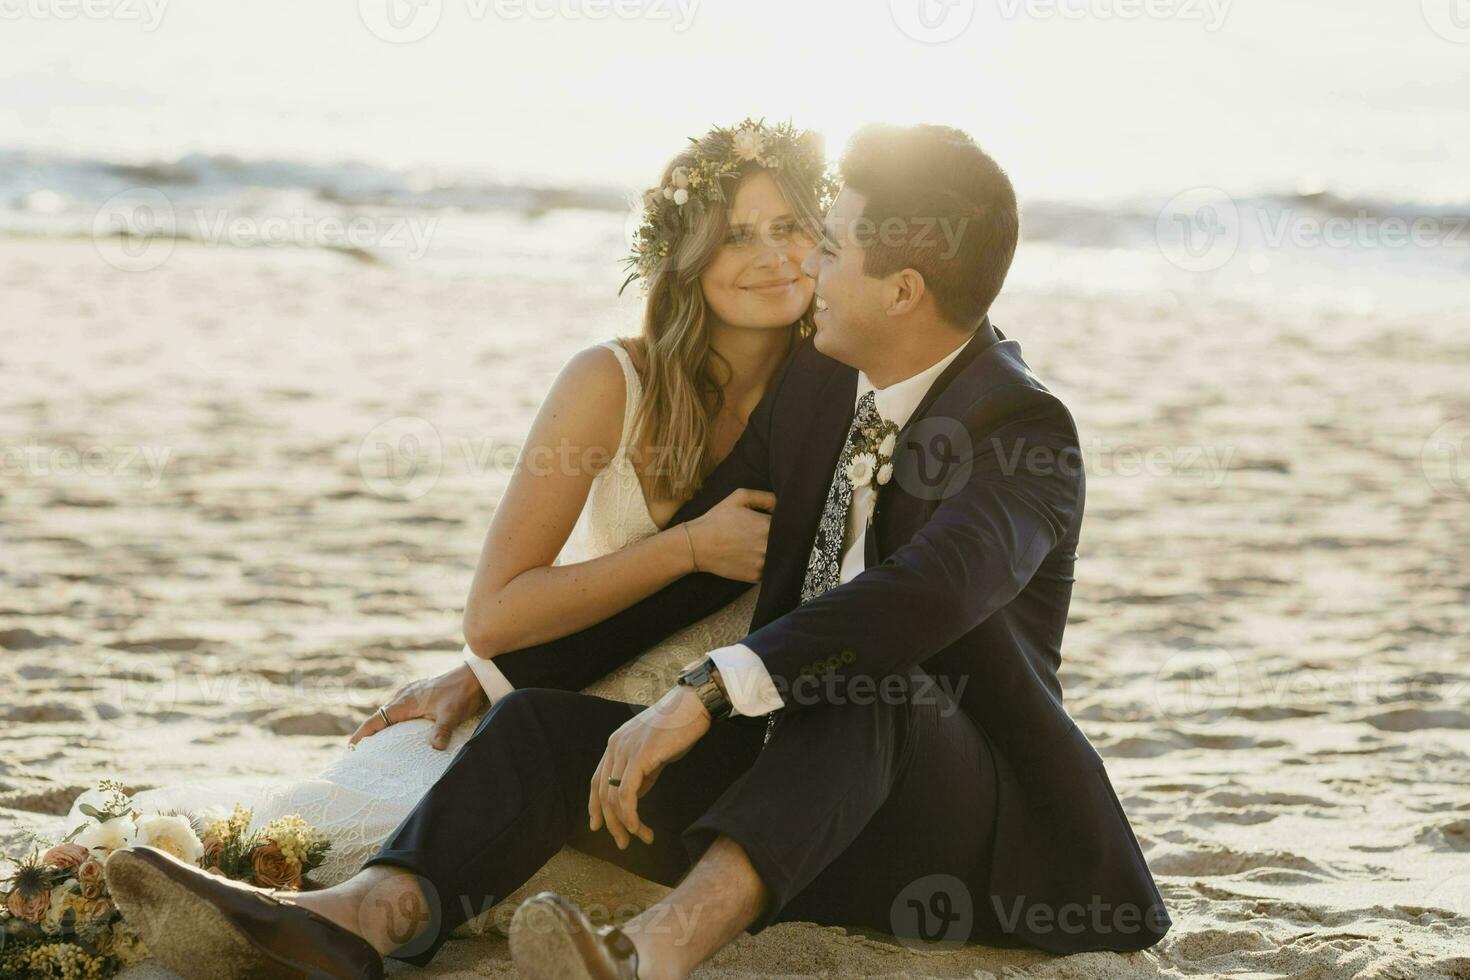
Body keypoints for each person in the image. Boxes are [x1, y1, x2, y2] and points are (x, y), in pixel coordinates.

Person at [106, 123, 1170, 980]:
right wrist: (489, 674)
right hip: (784, 811)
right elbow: (696, 559)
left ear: (902, 290)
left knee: (872, 674)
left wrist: (705, 692)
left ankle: (648, 953)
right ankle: (362, 919)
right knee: (538, 731)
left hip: (949, 837)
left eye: (832, 246)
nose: (810, 266)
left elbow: (928, 591)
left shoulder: (1023, 431)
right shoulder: (820, 384)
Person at [78, 118, 829, 922]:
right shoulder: (609, 382)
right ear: (682, 257)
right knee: (325, 839)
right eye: (736, 236)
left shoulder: (841, 388)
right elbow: (496, 613)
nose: (772, 257)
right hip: (568, 692)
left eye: (789, 228)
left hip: (710, 728)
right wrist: (686, 548)